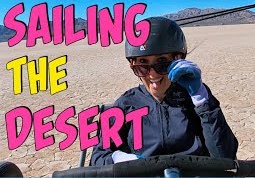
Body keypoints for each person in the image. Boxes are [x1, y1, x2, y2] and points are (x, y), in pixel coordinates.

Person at [91, 17, 238, 165]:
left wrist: (201, 98)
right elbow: (98, 157)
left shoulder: (195, 99)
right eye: (143, 64)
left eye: (162, 62)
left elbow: (225, 157)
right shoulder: (126, 104)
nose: (152, 75)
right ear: (132, 64)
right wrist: (117, 158)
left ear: (178, 59)